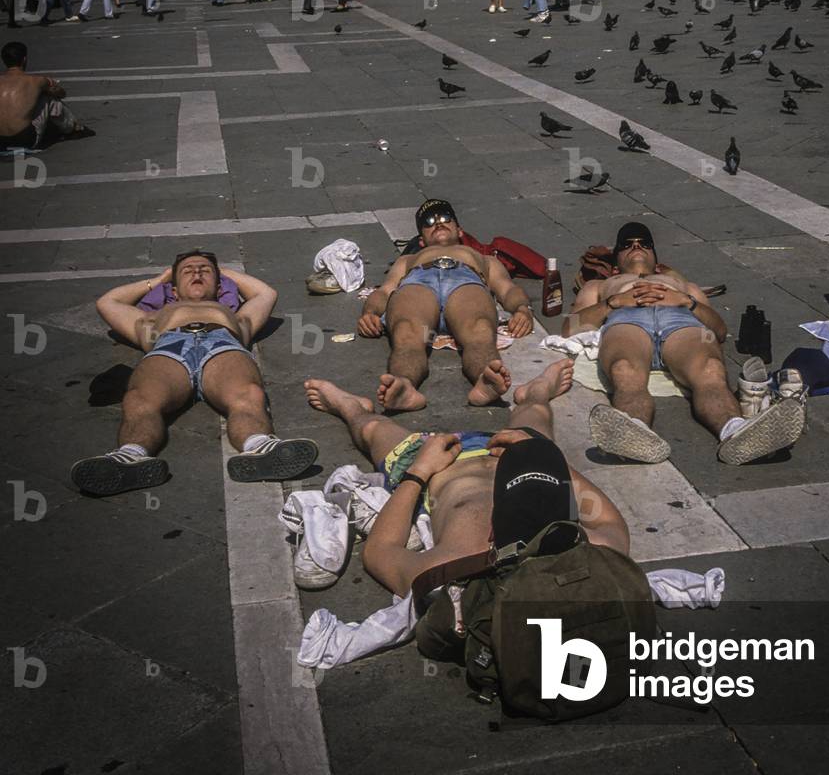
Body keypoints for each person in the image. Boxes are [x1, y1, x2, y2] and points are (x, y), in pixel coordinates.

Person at [303, 358, 629, 596]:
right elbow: (612, 528)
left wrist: (418, 473)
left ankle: (350, 407)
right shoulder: (578, 550)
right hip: (519, 453)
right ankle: (536, 390)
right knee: (536, 413)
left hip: (436, 465)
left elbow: (379, 553)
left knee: (373, 429)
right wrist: (546, 458)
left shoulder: (456, 566)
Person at [71, 251, 319, 496]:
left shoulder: (237, 317)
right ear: (174, 290)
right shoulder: (151, 320)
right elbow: (107, 303)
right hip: (169, 345)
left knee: (249, 395)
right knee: (139, 400)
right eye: (187, 271)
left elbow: (267, 293)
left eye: (205, 270)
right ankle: (130, 456)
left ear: (220, 286)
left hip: (222, 342)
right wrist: (160, 280)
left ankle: (260, 446)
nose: (197, 272)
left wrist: (222, 272)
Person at [567, 223, 805, 465]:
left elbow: (719, 330)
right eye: (627, 245)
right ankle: (634, 433)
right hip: (626, 320)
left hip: (681, 320)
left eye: (644, 244)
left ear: (656, 260)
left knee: (711, 368)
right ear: (616, 261)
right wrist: (613, 302)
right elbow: (571, 327)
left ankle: (736, 431)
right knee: (624, 369)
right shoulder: (599, 286)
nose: (636, 247)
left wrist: (687, 302)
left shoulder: (685, 287)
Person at [357, 199, 534, 411]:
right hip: (419, 279)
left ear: (459, 230)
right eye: (429, 221)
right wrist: (370, 312)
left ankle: (485, 380)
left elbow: (507, 289)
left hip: (465, 278)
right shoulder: (408, 260)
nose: (438, 223)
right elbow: (385, 291)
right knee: (407, 332)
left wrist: (522, 309)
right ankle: (403, 385)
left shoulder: (484, 259)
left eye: (445, 218)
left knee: (480, 328)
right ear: (421, 240)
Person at [0, 41, 94, 151]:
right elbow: (61, 94)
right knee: (48, 97)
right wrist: (47, 87)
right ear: (24, 59)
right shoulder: (36, 81)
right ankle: (74, 129)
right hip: (24, 139)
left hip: (1, 142)